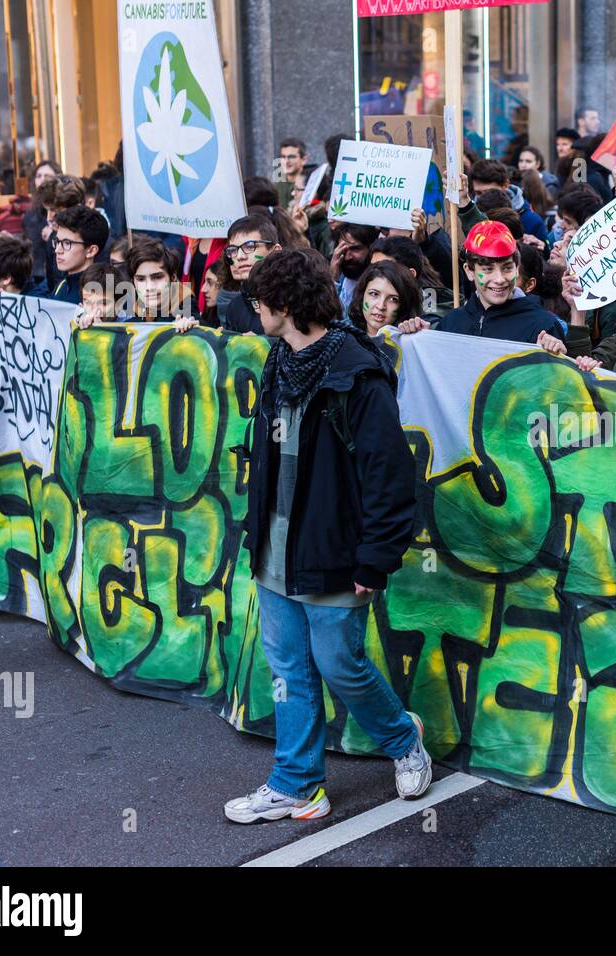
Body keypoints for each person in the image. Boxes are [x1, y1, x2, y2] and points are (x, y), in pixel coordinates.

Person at [225, 247, 431, 823]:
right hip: (275, 549)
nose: (255, 312)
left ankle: (402, 740)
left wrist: (374, 561)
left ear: (285, 306)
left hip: (333, 554)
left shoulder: (356, 372)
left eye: (261, 303)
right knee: (289, 670)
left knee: (340, 665)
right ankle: (297, 783)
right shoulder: (279, 359)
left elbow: (389, 475)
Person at [398, 221, 566, 351]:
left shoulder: (543, 326)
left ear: (517, 268)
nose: (499, 279)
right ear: (469, 271)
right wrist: (423, 339)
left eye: (507, 268)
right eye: (487, 269)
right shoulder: (451, 325)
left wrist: (552, 356)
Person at [216, 216, 282, 334]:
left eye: (250, 246)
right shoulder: (235, 307)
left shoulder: (294, 297)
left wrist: (261, 343)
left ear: (275, 251)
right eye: (233, 250)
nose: (240, 256)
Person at [468, 159, 549, 244]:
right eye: (479, 193)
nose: (484, 197)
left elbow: (544, 255)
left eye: (490, 192)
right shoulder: (469, 217)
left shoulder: (532, 221)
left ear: (505, 185)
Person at [47, 205, 110, 305]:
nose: (57, 250)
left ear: (91, 251)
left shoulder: (99, 296)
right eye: (57, 241)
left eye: (67, 243)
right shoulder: (62, 284)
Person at [348, 260, 422, 337]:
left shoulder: (410, 341)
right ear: (362, 295)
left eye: (393, 299)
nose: (380, 306)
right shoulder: (342, 337)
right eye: (374, 294)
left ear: (404, 305)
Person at [329, 222, 376, 312]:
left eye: (355, 249)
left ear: (370, 248)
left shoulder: (377, 284)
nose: (348, 257)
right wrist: (332, 279)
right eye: (344, 250)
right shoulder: (339, 275)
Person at [276, 138, 308, 208]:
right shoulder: (276, 187)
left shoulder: (311, 183)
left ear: (303, 160)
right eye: (283, 157)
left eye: (291, 157)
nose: (287, 161)